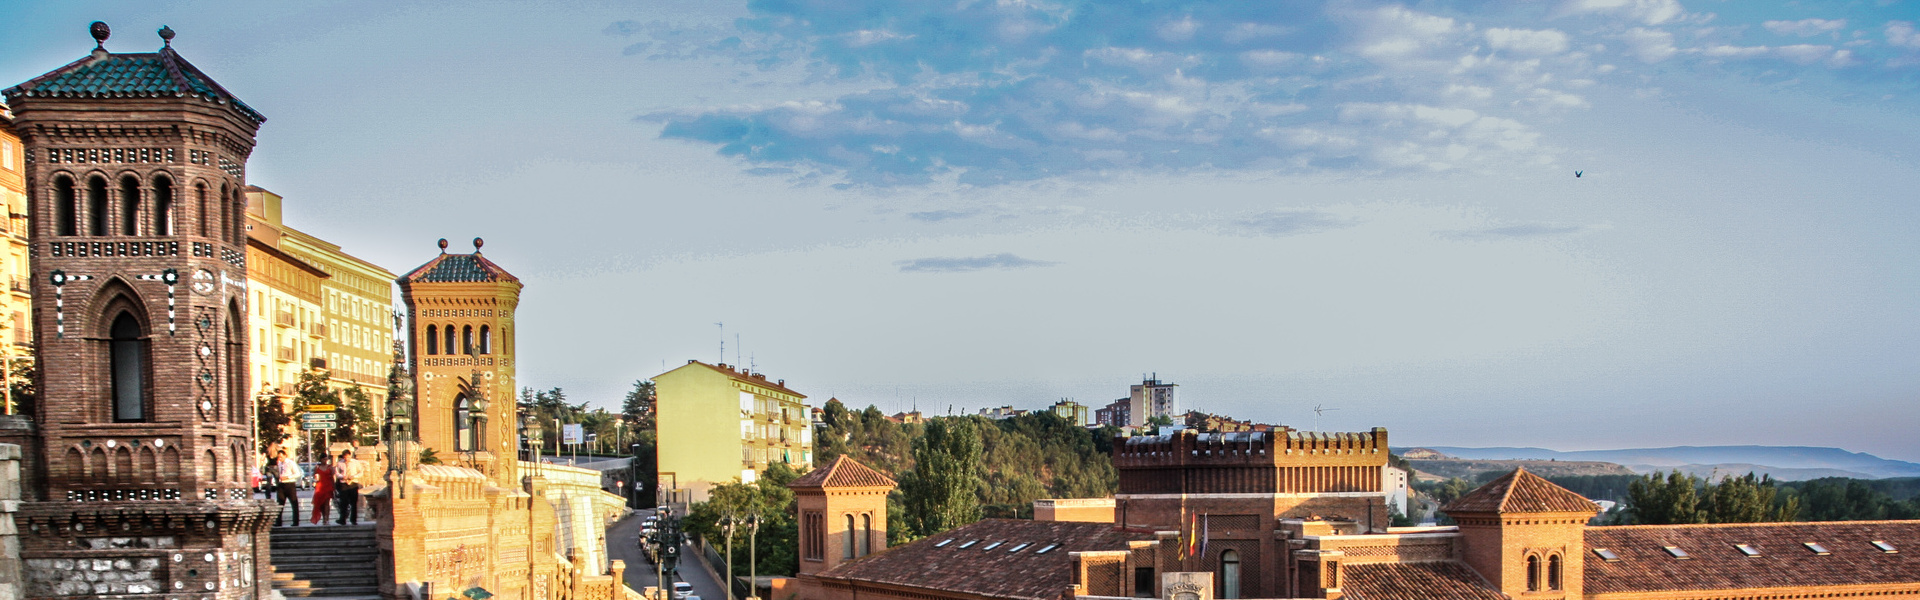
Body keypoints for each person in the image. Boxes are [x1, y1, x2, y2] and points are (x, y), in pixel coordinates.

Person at [272, 449, 304, 526]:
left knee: (294, 502)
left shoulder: (291, 463)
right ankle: (278, 522)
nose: (280, 458)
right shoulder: (280, 464)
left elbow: (298, 473)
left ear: (285, 456)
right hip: (281, 485)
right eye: (279, 457)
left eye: (281, 457)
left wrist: (288, 477)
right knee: (280, 503)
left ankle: (295, 521)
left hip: (289, 484)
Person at [334, 449, 362, 525]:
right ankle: (342, 519)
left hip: (353, 483)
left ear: (350, 456)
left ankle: (353, 519)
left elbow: (360, 472)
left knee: (354, 502)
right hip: (344, 483)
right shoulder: (340, 463)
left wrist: (354, 476)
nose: (347, 459)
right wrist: (342, 476)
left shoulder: (355, 462)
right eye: (345, 457)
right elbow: (337, 473)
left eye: (348, 457)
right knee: (343, 502)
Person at [310, 455, 335, 525]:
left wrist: (334, 487)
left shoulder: (330, 467)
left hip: (328, 486)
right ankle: (324, 516)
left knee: (327, 503)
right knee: (320, 503)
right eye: (324, 459)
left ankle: (326, 518)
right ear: (321, 459)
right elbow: (314, 477)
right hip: (319, 486)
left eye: (326, 459)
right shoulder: (317, 467)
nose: (325, 461)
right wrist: (315, 480)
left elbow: (332, 477)